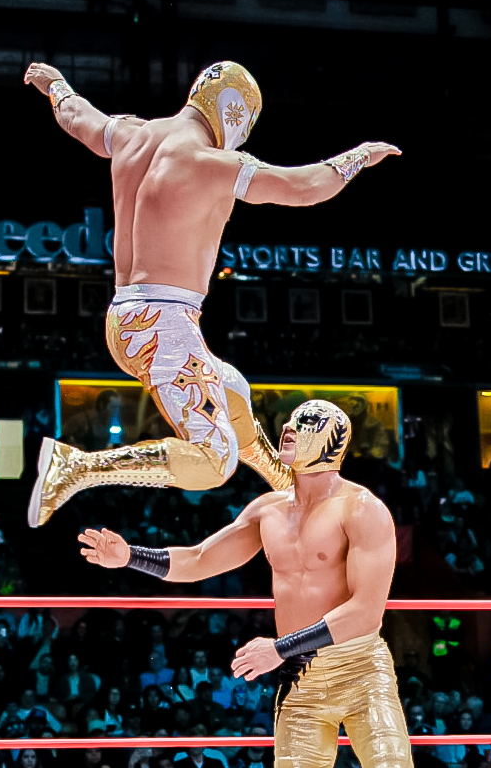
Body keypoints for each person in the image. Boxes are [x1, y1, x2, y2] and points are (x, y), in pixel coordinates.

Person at [24, 59, 401, 527]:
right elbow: (304, 187)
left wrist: (56, 85)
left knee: (233, 387)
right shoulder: (212, 163)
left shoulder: (131, 135)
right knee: (214, 460)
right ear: (234, 113)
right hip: (163, 325)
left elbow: (77, 116)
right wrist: (359, 156)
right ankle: (76, 468)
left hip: (126, 317)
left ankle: (283, 480)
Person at [79, 400, 432, 768]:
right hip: (301, 683)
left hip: (360, 671)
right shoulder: (268, 510)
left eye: (305, 423)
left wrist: (279, 648)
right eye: (289, 421)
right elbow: (201, 558)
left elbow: (365, 612)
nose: (288, 428)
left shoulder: (362, 509)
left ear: (333, 442)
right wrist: (130, 557)